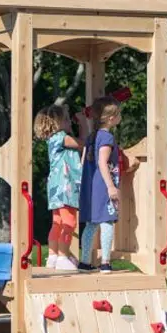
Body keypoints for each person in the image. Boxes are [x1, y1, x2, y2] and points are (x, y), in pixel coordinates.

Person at [33, 104, 87, 270]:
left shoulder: (53, 139)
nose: (69, 121)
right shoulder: (61, 137)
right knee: (69, 222)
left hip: (56, 186)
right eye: (66, 119)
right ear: (57, 123)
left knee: (57, 222)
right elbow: (83, 143)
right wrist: (83, 123)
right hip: (66, 186)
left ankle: (54, 255)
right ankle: (63, 256)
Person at [79, 96, 123, 273]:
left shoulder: (91, 137)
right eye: (119, 114)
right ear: (112, 119)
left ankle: (84, 262)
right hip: (103, 187)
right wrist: (111, 186)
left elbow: (84, 162)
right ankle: (105, 262)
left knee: (91, 224)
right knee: (107, 223)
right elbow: (102, 162)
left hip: (91, 187)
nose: (120, 117)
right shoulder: (106, 138)